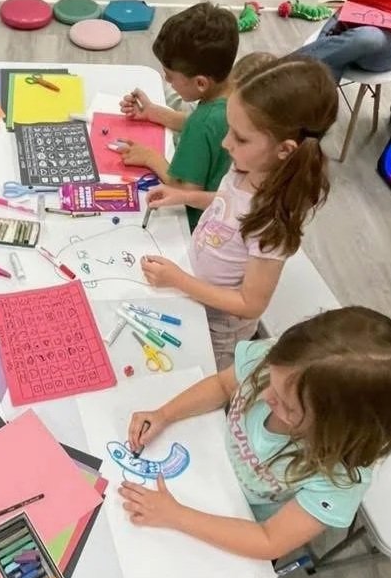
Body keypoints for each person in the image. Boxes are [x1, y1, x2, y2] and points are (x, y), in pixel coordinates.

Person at [120, 307, 391, 560]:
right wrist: (164, 414)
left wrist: (175, 515)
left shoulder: (339, 478)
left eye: (288, 407)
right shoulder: (281, 364)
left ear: (335, 430)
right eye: (270, 383)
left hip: (237, 521)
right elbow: (223, 385)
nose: (265, 397)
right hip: (205, 465)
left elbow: (269, 541)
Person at [141, 57, 338, 370]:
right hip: (193, 293)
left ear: (284, 149)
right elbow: (228, 203)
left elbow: (250, 304)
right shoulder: (246, 167)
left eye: (240, 137)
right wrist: (186, 196)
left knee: (198, 375)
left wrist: (179, 280)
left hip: (219, 332)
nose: (225, 142)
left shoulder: (272, 219)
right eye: (229, 129)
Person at [117, 1, 239, 231]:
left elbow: (185, 191)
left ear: (201, 83)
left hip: (199, 226)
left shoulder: (202, 123)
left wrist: (151, 158)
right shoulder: (237, 96)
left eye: (171, 76)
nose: (167, 81)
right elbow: (210, 128)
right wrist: (154, 113)